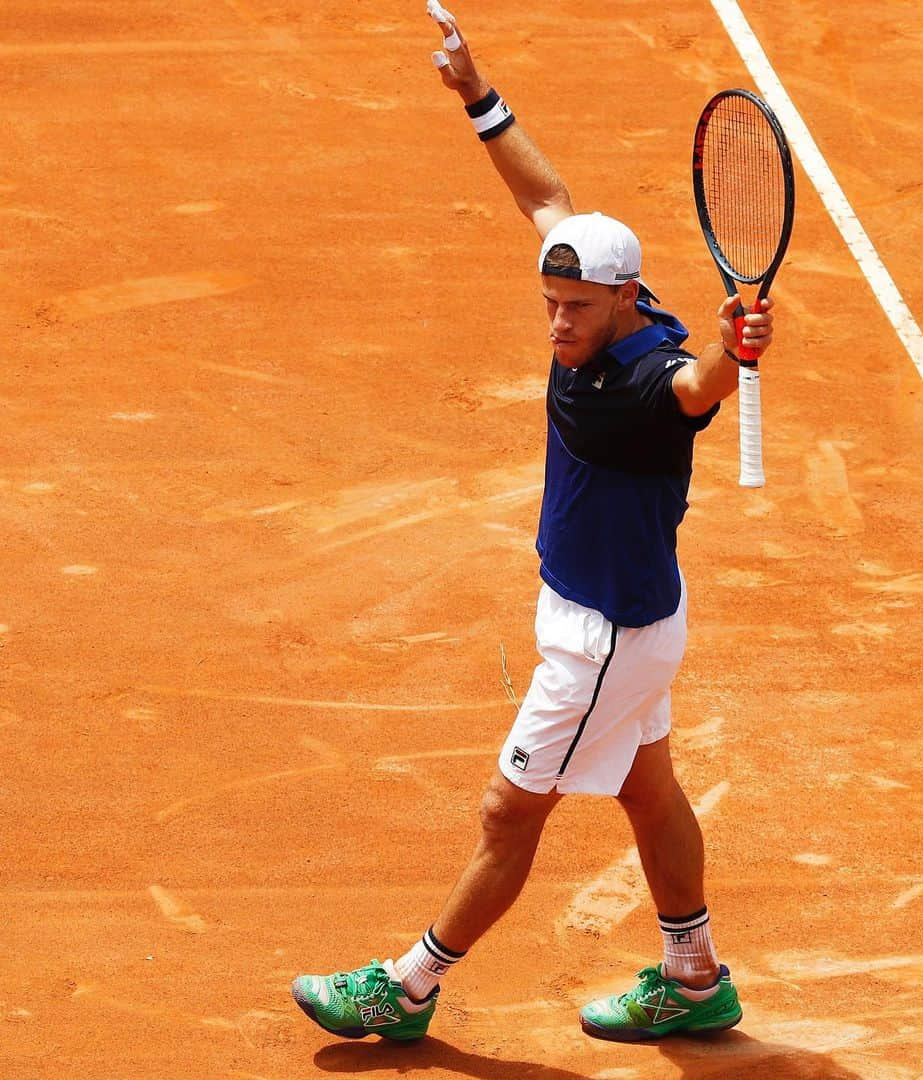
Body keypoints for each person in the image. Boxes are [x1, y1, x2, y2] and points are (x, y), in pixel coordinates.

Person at [291, 2, 774, 1044]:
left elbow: (695, 392)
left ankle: (406, 987)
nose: (555, 323)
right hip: (628, 615)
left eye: (574, 310)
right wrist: (478, 97)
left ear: (621, 301)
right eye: (549, 302)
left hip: (606, 635)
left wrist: (736, 352)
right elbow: (547, 197)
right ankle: (694, 979)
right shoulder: (619, 297)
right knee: (649, 790)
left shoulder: (641, 383)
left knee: (512, 813)